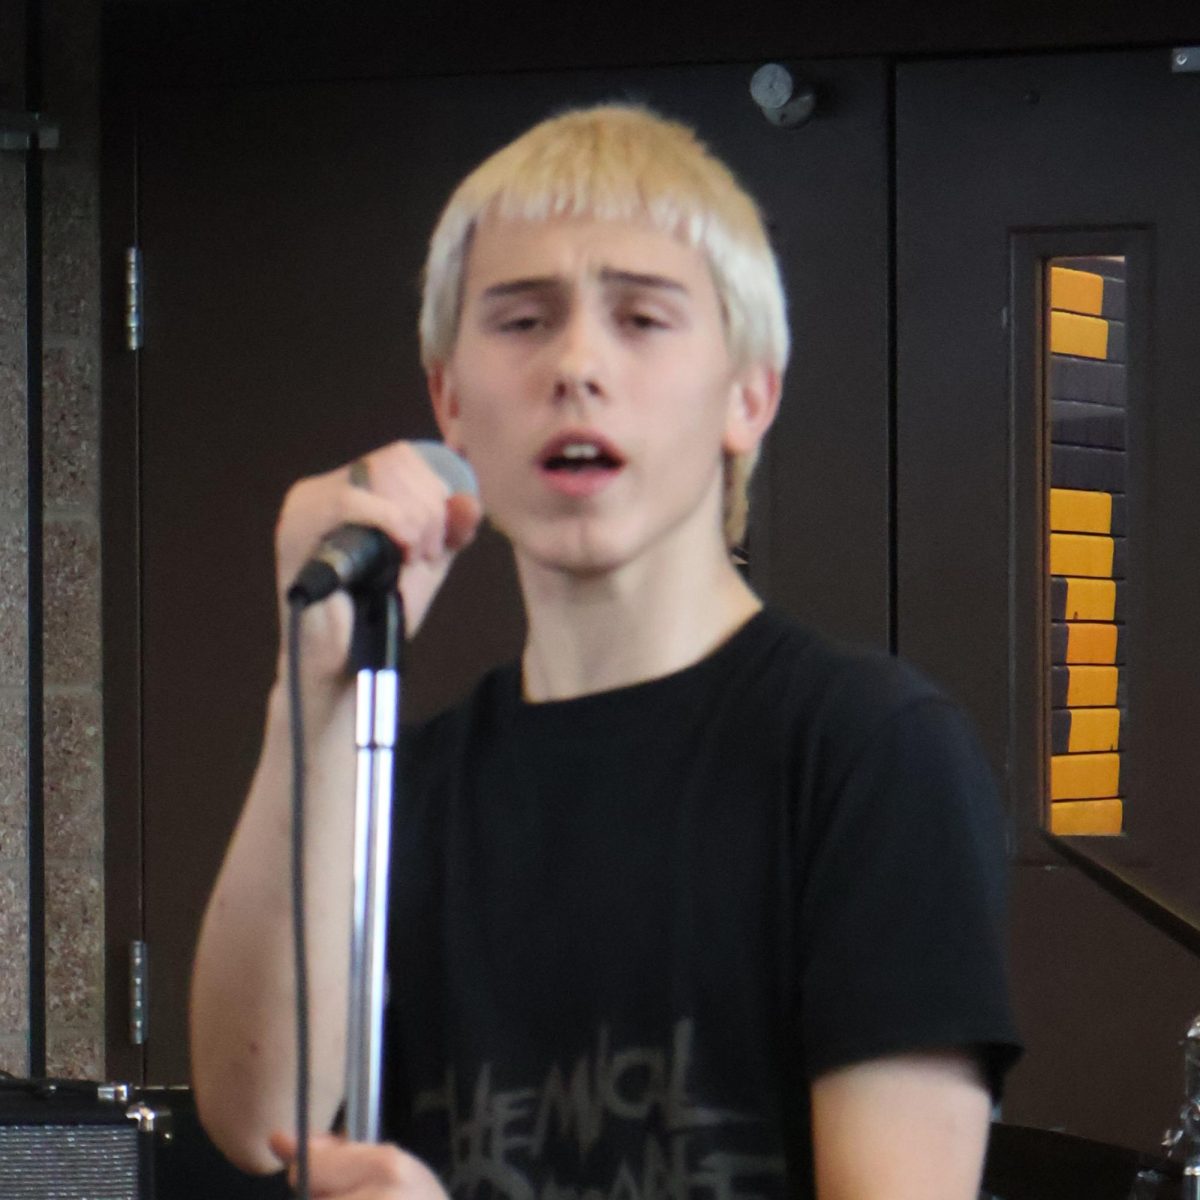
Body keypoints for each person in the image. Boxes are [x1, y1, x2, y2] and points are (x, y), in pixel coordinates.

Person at [190, 104, 1020, 1200]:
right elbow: (257, 1117)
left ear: (748, 394)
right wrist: (313, 687)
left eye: (641, 318)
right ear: (450, 397)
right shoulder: (404, 780)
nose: (577, 364)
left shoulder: (868, 754)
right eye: (523, 322)